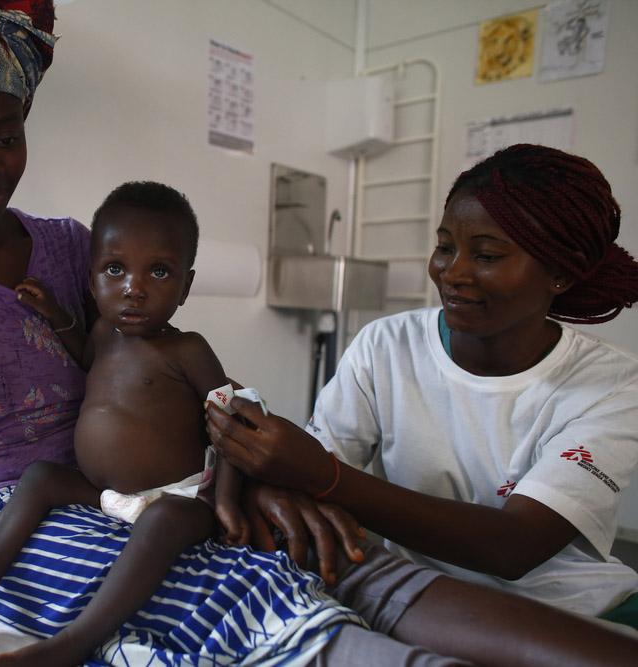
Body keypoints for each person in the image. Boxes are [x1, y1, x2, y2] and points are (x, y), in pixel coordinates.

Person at [0, 1, 635, 662]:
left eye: (5, 134)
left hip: (131, 478)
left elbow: (139, 363)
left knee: (329, 544)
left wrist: (253, 475)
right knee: (224, 577)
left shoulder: (73, 245)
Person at [206, 144, 638, 636]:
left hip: (573, 613)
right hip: (417, 594)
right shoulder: (387, 346)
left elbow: (514, 546)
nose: (452, 274)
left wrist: (322, 475)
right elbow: (306, 478)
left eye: (488, 255)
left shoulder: (610, 383)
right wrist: (273, 474)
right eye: (445, 247)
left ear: (561, 271)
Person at [0, 181, 264, 666]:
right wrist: (54, 313)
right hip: (101, 494)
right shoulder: (103, 332)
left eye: (158, 271)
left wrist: (225, 502)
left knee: (163, 521)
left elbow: (234, 416)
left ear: (185, 285)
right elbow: (85, 356)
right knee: (40, 478)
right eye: (115, 270)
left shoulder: (188, 350)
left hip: (174, 497)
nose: (133, 287)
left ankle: (72, 643)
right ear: (93, 277)